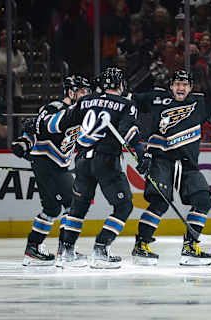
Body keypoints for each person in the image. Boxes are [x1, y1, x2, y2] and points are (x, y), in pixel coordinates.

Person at [130, 70, 211, 266]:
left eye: (184, 84)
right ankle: (141, 246)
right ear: (171, 86)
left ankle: (190, 247)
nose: (180, 88)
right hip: (161, 160)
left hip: (187, 164)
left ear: (190, 87)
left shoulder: (200, 102)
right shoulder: (157, 98)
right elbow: (127, 101)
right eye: (176, 84)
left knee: (203, 200)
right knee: (159, 203)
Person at [54, 67, 148, 269]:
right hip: (106, 160)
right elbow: (129, 132)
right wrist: (142, 153)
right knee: (124, 205)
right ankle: (101, 249)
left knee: (78, 208)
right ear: (121, 85)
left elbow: (63, 122)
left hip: (82, 160)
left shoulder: (85, 100)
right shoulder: (126, 104)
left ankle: (66, 252)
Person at [11, 75, 91, 266]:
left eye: (87, 92)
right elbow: (35, 128)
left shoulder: (79, 113)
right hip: (47, 163)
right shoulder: (55, 108)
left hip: (57, 164)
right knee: (72, 203)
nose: (86, 95)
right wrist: (24, 142)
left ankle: (33, 249)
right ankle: (65, 251)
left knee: (52, 208)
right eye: (82, 91)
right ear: (71, 92)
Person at [0, 28, 27, 111]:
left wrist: (14, 71)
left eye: (6, 34)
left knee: (15, 116)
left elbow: (24, 68)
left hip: (15, 91)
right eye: (2, 34)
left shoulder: (17, 53)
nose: (4, 36)